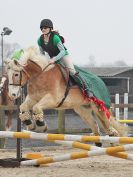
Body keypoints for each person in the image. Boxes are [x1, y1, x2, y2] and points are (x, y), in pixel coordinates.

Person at [37, 19, 91, 97]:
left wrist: (54, 59)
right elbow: (41, 54)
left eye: (45, 27)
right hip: (52, 58)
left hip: (63, 56)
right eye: (41, 28)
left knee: (72, 71)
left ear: (50, 28)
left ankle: (86, 89)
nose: (43, 29)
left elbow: (62, 51)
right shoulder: (39, 40)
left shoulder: (55, 38)